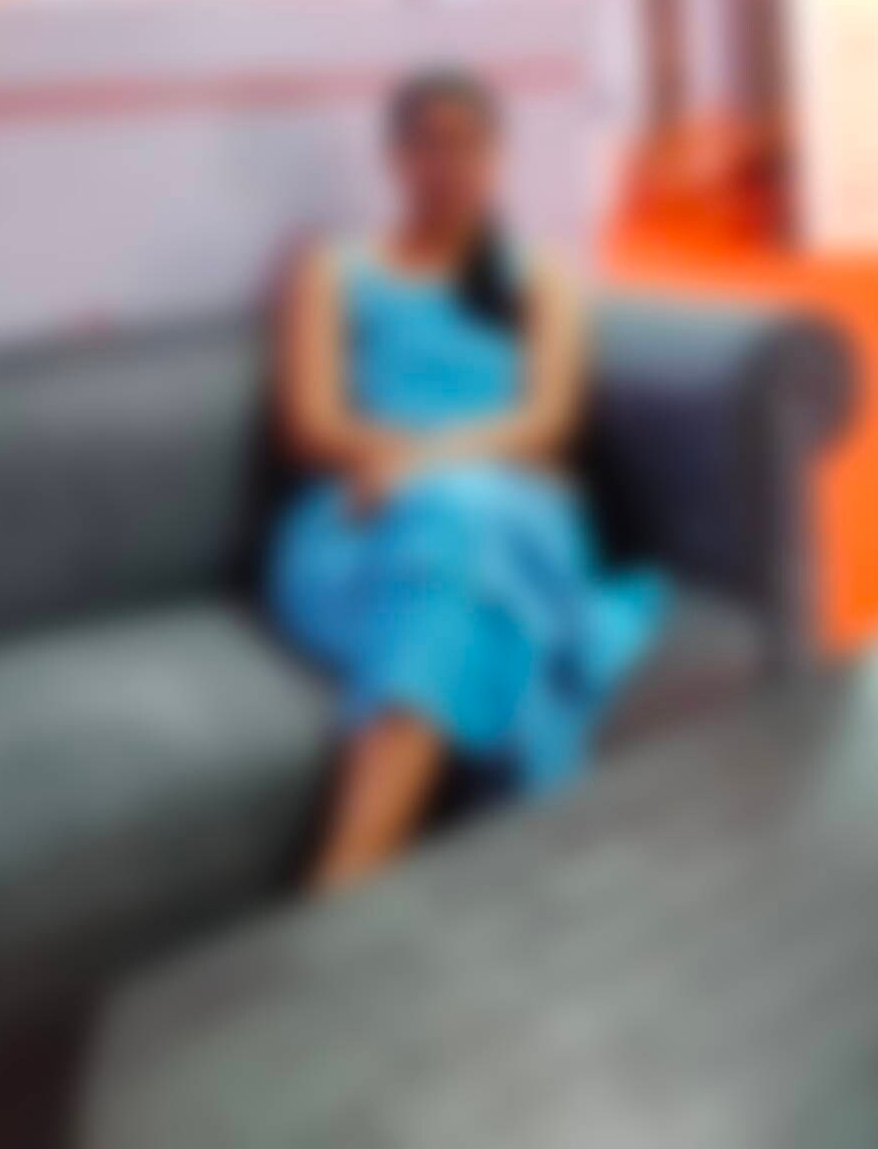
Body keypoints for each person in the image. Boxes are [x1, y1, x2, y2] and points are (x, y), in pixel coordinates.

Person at [269, 68, 667, 893]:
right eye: (427, 145)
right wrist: (393, 467)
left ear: (497, 157)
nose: (447, 165)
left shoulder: (538, 275)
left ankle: (339, 888)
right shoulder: (334, 270)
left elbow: (545, 423)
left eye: (468, 145)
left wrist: (420, 462)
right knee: (456, 558)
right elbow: (313, 423)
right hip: (357, 521)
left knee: (461, 520)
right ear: (394, 158)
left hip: (503, 506)